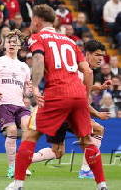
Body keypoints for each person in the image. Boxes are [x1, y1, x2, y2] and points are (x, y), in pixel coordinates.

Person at [6, 4, 107, 190]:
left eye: (32, 20)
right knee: (87, 140)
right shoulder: (70, 41)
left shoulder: (38, 38)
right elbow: (86, 70)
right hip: (77, 94)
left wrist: (35, 86)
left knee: (30, 135)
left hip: (56, 93)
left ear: (37, 20)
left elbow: (38, 60)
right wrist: (84, 95)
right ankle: (101, 185)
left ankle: (17, 184)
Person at [31, 40, 111, 179]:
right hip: (61, 111)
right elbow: (78, 100)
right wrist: (97, 114)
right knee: (98, 129)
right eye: (97, 55)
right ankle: (86, 170)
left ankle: (24, 159)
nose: (100, 59)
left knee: (58, 152)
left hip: (55, 111)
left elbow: (80, 89)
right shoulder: (81, 71)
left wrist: (98, 88)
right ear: (87, 54)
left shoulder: (75, 68)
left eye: (102, 56)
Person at [0, 29, 32, 178]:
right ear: (5, 44)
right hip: (3, 104)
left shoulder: (24, 67)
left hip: (20, 105)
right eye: (9, 42)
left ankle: (22, 164)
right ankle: (12, 167)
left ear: (19, 46)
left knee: (28, 128)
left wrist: (29, 91)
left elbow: (26, 93)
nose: (12, 44)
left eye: (15, 42)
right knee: (11, 131)